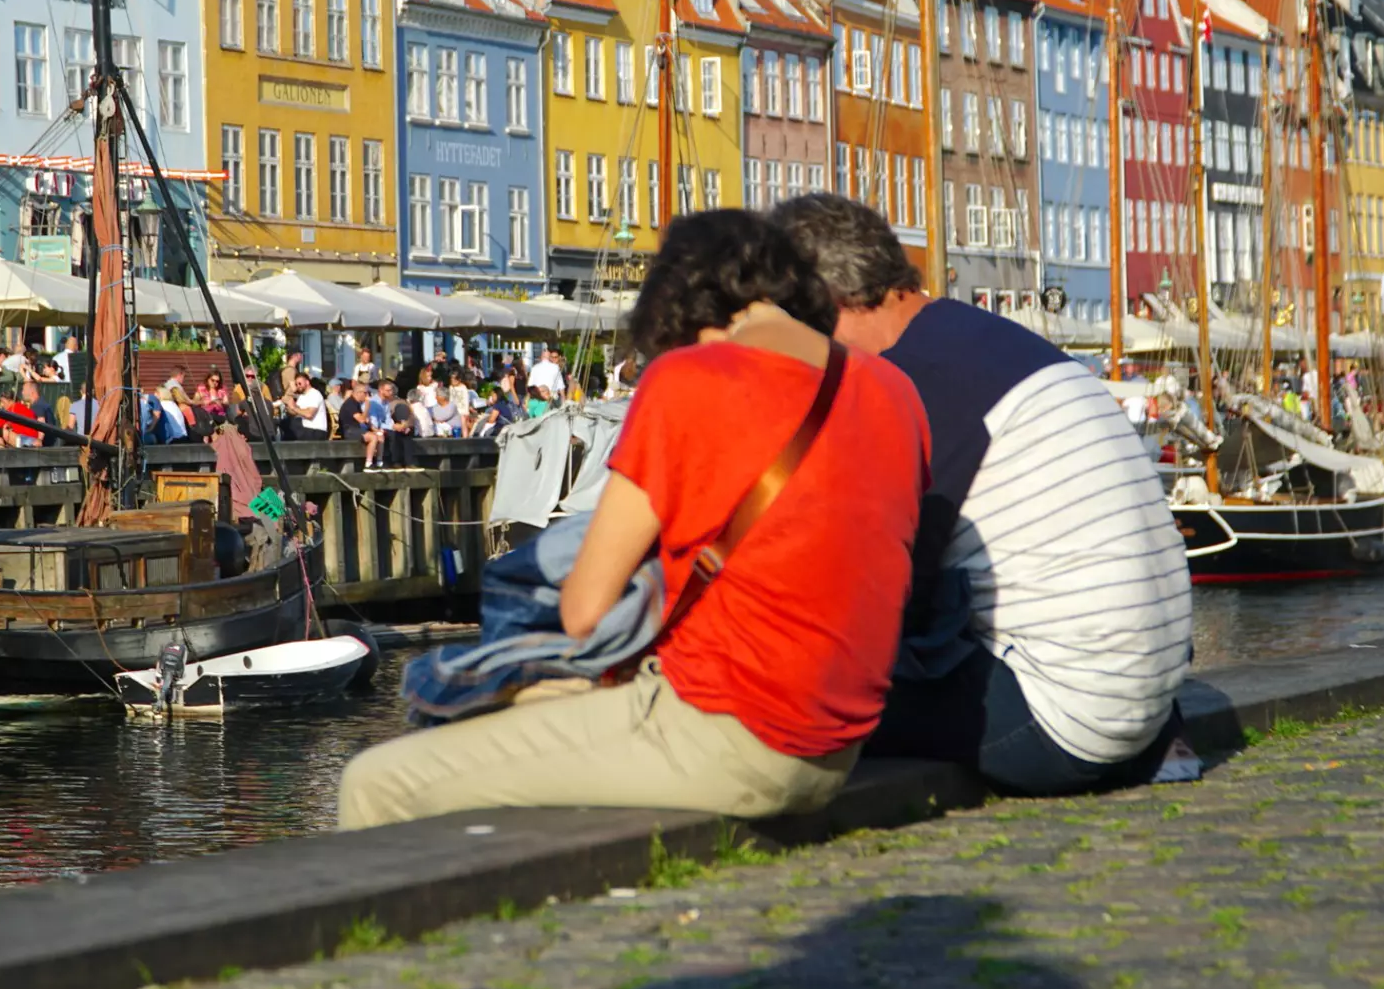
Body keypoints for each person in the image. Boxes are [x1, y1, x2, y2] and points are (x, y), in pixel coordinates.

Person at [337, 208, 929, 829]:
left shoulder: (690, 377)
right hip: (838, 742)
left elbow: (585, 609)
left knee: (377, 781)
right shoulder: (892, 389)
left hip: (730, 732)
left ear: (680, 308)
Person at [773, 194, 1195, 796]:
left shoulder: (909, 380)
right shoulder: (998, 346)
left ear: (828, 302)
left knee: (801, 700)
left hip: (1065, 726)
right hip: (1149, 708)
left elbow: (881, 586)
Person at [280, 371, 329, 442]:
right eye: (296, 384)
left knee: (293, 425)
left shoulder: (315, 394)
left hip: (316, 430)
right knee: (284, 423)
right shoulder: (302, 396)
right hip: (305, 429)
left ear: (307, 382)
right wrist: (289, 405)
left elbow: (309, 414)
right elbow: (296, 412)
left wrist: (294, 407)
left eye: (300, 383)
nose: (298, 386)